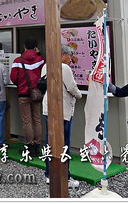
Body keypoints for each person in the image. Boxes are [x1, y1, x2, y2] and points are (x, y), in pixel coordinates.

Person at [42, 45, 82, 187]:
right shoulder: (64, 68)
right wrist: (79, 95)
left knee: (49, 142)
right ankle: (65, 177)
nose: (71, 59)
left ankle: (49, 174)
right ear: (63, 54)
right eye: (70, 56)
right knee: (64, 144)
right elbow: (72, 87)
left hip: (48, 109)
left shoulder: (46, 65)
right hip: (62, 110)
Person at [10, 38, 45, 157]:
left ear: (24, 46)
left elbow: (13, 78)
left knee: (27, 121)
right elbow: (44, 74)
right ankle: (37, 146)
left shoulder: (17, 60)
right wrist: (39, 53)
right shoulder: (40, 60)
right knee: (37, 120)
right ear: (35, 47)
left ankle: (29, 146)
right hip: (37, 94)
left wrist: (21, 85)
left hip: (23, 94)